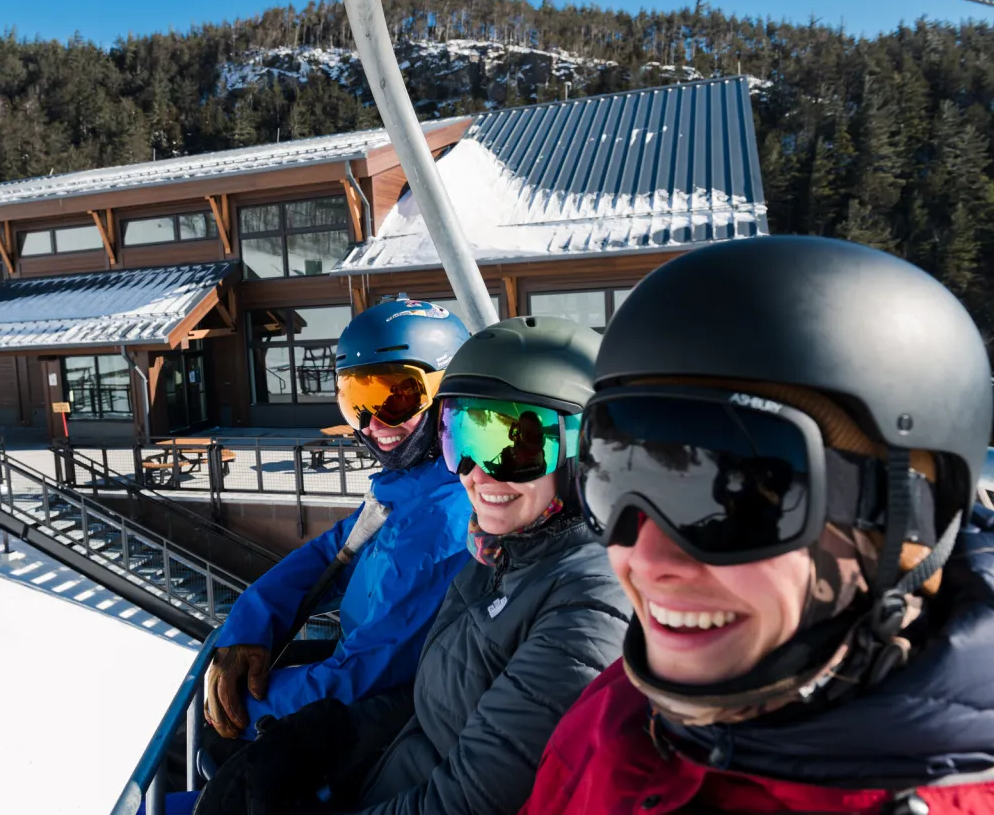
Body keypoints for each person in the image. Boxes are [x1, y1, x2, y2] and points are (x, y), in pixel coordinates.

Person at [520, 235, 994, 814]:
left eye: (736, 498)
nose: (646, 561)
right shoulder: (618, 704)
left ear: (903, 527)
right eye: (614, 475)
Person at [196, 316, 630, 815]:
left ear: (587, 449)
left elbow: (467, 797)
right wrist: (324, 732)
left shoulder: (578, 602)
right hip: (388, 762)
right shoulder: (493, 553)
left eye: (516, 445)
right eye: (460, 438)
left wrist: (268, 714)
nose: (475, 472)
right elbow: (429, 700)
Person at [204, 296, 474, 745]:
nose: (372, 423)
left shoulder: (446, 519)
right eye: (356, 400)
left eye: (396, 396)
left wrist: (252, 709)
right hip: (358, 696)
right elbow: (335, 550)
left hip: (389, 725)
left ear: (447, 395)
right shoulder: (410, 484)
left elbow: (366, 674)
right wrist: (251, 623)